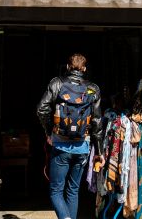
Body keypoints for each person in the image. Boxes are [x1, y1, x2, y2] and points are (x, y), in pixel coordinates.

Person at [37, 53, 104, 219]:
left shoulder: (57, 83)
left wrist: (49, 132)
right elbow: (97, 122)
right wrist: (99, 152)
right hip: (83, 147)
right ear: (84, 69)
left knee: (55, 191)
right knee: (73, 191)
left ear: (67, 67)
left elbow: (41, 109)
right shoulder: (93, 89)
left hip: (60, 145)